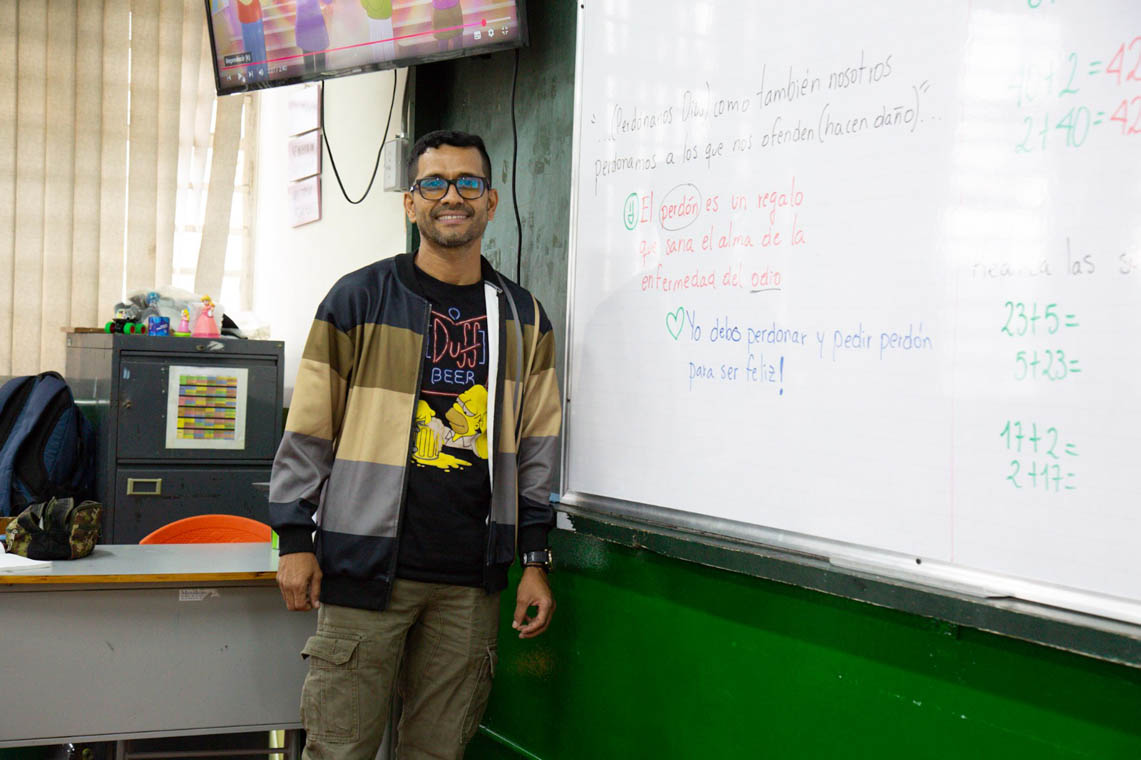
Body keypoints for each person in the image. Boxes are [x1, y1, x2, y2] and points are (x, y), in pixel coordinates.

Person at [269, 129, 560, 760]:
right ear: (411, 202)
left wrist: (533, 560)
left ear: (491, 201)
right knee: (339, 750)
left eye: (468, 183)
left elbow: (538, 445)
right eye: (433, 183)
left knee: (436, 753)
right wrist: (294, 537)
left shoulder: (523, 317)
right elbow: (309, 427)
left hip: (470, 582)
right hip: (365, 568)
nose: (450, 196)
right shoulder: (360, 299)